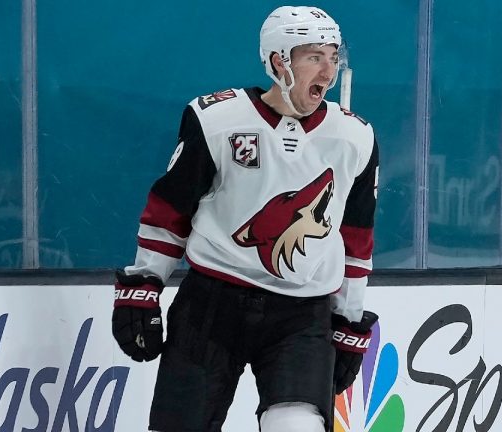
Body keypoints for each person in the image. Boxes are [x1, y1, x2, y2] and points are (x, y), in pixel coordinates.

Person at [112, 6, 380, 431]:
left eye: (333, 56)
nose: (328, 70)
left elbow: (356, 236)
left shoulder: (356, 138)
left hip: (301, 313)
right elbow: (171, 209)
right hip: (211, 303)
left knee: (296, 425)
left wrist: (349, 318)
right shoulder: (216, 118)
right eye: (314, 56)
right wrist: (145, 284)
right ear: (279, 62)